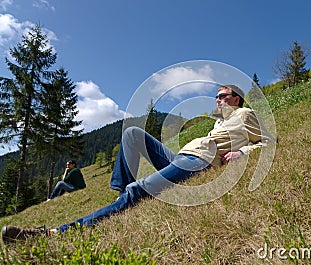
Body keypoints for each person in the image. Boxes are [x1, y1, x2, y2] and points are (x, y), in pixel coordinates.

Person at [1, 85, 270, 242]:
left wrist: (242, 152)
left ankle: (51, 234)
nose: (218, 99)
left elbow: (268, 141)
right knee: (131, 134)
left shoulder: (245, 114)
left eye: (223, 95)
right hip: (183, 156)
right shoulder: (219, 123)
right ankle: (123, 191)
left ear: (236, 99)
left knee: (137, 190)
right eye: (217, 95)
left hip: (198, 161)